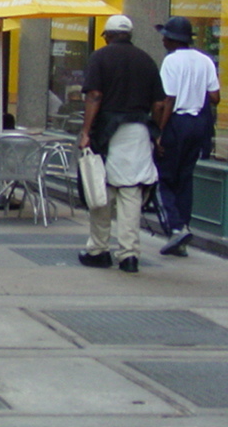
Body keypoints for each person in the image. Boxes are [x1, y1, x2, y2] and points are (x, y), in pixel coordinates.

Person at [77, 14, 167, 274]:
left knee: (101, 190)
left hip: (108, 131)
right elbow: (159, 104)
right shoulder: (146, 59)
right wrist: (156, 131)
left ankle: (98, 249)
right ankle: (129, 255)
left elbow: (95, 95)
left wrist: (86, 131)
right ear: (129, 35)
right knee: (131, 192)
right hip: (138, 131)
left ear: (107, 35)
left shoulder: (100, 57)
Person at [154, 16, 220, 256]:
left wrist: (159, 133)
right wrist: (195, 90)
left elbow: (168, 99)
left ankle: (175, 227)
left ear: (172, 39)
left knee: (163, 178)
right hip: (198, 125)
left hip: (177, 122)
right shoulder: (205, 60)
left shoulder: (171, 61)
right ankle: (183, 231)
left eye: (165, 36)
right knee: (185, 179)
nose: (163, 40)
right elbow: (215, 97)